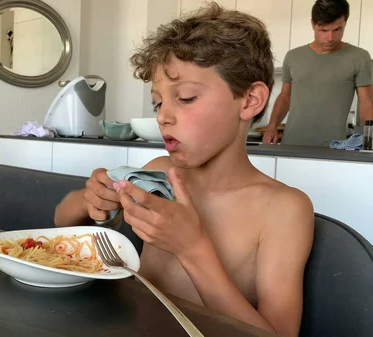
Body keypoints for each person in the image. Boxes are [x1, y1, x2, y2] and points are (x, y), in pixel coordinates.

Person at [54, 4, 314, 337]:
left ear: (250, 100)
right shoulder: (157, 172)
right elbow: (62, 220)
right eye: (158, 102)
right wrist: (90, 202)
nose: (163, 116)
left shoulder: (283, 209)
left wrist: (193, 249)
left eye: (186, 98)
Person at [263, 0, 373, 146]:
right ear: (312, 24)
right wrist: (271, 126)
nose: (330, 38)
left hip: (334, 147)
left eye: (337, 30)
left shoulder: (359, 57)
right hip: (291, 145)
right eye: (323, 30)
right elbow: (285, 97)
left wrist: (368, 141)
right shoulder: (293, 56)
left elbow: (366, 102)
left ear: (345, 23)